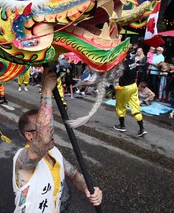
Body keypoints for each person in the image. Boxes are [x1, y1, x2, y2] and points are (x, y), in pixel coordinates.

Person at [13, 66, 102, 212]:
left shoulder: (54, 152)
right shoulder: (22, 159)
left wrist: (88, 188)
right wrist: (46, 92)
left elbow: (73, 174)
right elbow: (44, 140)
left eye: (50, 125)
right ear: (29, 135)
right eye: (43, 127)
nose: (50, 130)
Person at [113, 55, 147, 137]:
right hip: (133, 86)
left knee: (120, 106)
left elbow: (117, 78)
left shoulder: (122, 66)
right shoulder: (132, 62)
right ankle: (142, 128)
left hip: (124, 88)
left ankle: (122, 126)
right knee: (135, 107)